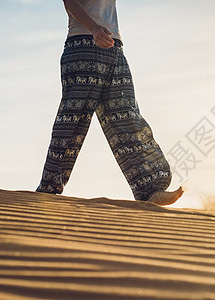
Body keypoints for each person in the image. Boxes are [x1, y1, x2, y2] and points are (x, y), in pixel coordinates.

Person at [36, 0, 183, 206]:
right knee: (72, 121)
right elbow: (70, 2)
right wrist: (94, 28)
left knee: (127, 115)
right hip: (83, 44)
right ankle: (47, 190)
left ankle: (150, 189)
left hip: (114, 47)